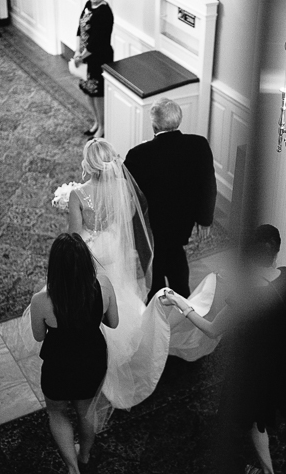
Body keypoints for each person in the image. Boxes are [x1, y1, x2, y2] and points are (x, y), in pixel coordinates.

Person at [67, 138, 222, 418]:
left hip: (93, 252)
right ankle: (126, 341)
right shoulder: (122, 188)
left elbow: (76, 237)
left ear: (88, 163)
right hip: (114, 249)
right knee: (120, 292)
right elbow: (124, 222)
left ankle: (98, 351)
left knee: (91, 295)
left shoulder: (79, 194)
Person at [160, 225, 286, 474]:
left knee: (249, 418)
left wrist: (182, 304)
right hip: (282, 354)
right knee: (262, 413)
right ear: (276, 252)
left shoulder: (244, 295)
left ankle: (263, 470)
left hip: (254, 365)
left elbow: (212, 329)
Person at [30, 233, 119, 474]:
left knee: (57, 411)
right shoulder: (104, 286)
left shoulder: (41, 301)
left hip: (59, 363)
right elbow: (113, 323)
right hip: (91, 359)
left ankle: (72, 468)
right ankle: (86, 455)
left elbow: (39, 336)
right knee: (86, 410)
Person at [124, 97, 217, 301]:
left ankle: (158, 295)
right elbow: (208, 186)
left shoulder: (138, 154)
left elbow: (127, 191)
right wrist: (205, 221)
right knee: (174, 253)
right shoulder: (199, 145)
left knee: (159, 259)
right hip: (184, 221)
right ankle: (181, 295)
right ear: (178, 120)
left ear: (154, 125)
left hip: (153, 224)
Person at [73, 0, 114, 138]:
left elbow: (96, 42)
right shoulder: (88, 5)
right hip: (85, 56)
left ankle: (103, 127)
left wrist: (81, 56)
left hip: (99, 58)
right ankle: (96, 121)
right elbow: (80, 28)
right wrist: (77, 50)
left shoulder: (104, 12)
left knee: (98, 94)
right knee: (88, 91)